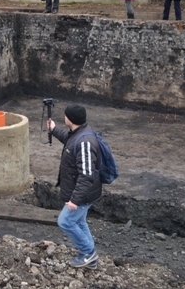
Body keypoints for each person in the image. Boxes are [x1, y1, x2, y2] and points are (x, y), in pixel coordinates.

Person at [48, 104, 102, 269]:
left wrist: (75, 200)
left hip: (82, 195)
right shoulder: (80, 133)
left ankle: (88, 252)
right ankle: (91, 258)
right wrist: (54, 129)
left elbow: (86, 175)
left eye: (65, 116)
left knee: (65, 221)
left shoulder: (85, 142)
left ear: (69, 119)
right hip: (81, 192)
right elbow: (70, 141)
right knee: (79, 222)